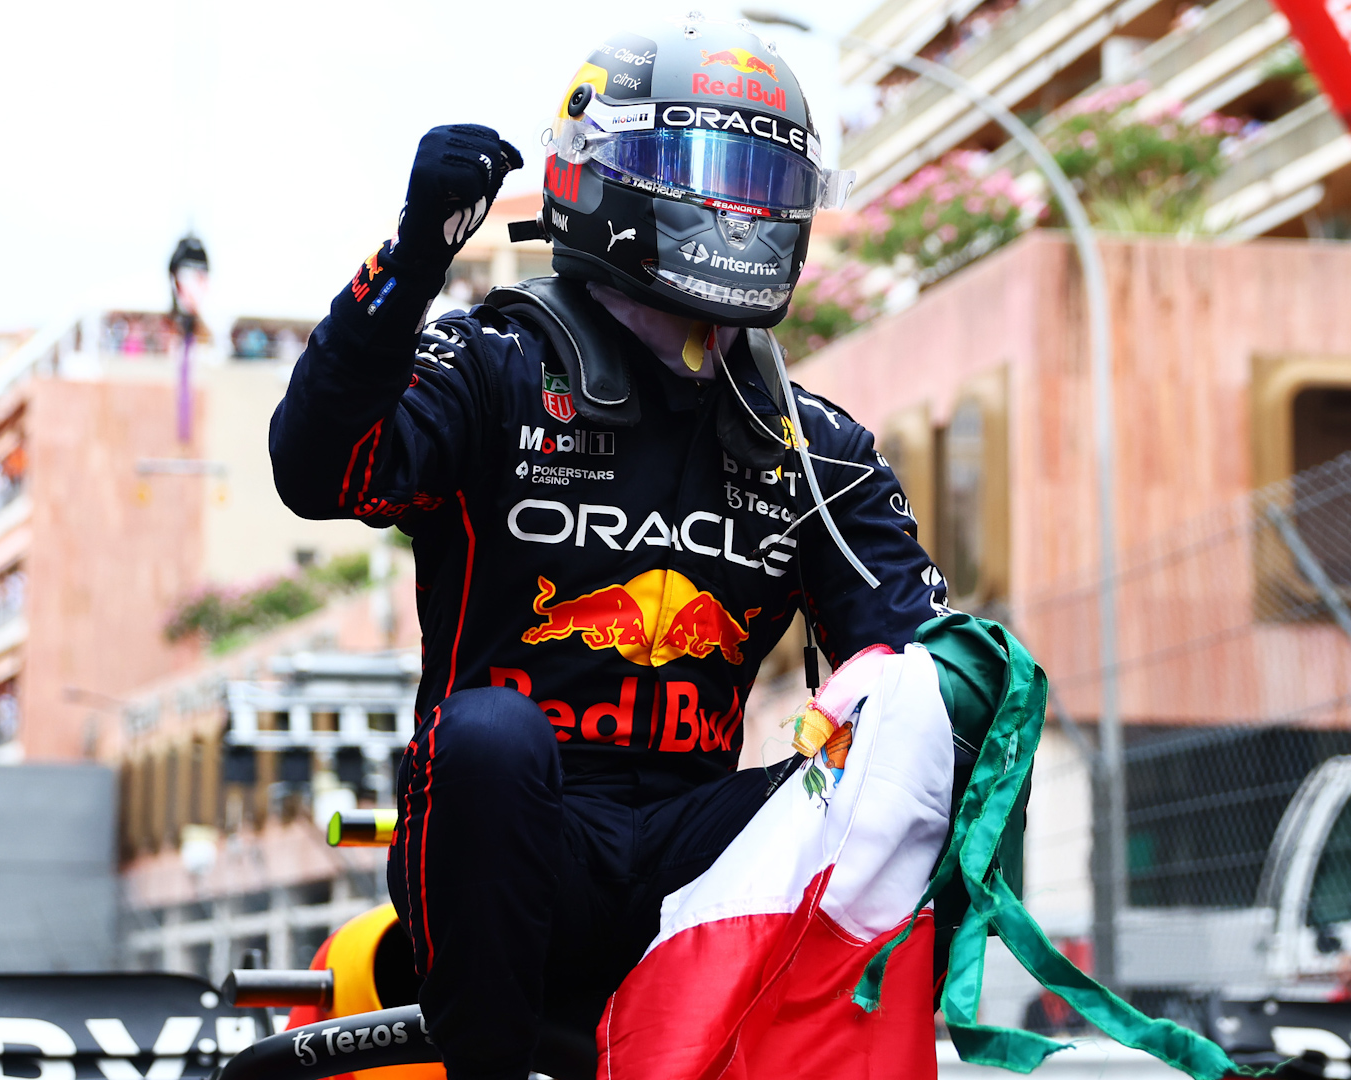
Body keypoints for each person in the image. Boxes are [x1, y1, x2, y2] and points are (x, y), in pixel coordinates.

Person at [269, 16, 949, 1080]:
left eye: (760, 176)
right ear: (595, 173)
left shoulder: (816, 447)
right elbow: (319, 472)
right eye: (698, 165)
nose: (732, 203)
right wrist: (407, 265)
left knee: (919, 752)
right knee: (492, 734)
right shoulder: (490, 367)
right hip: (510, 848)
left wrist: (951, 702)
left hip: (698, 859)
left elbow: (922, 668)